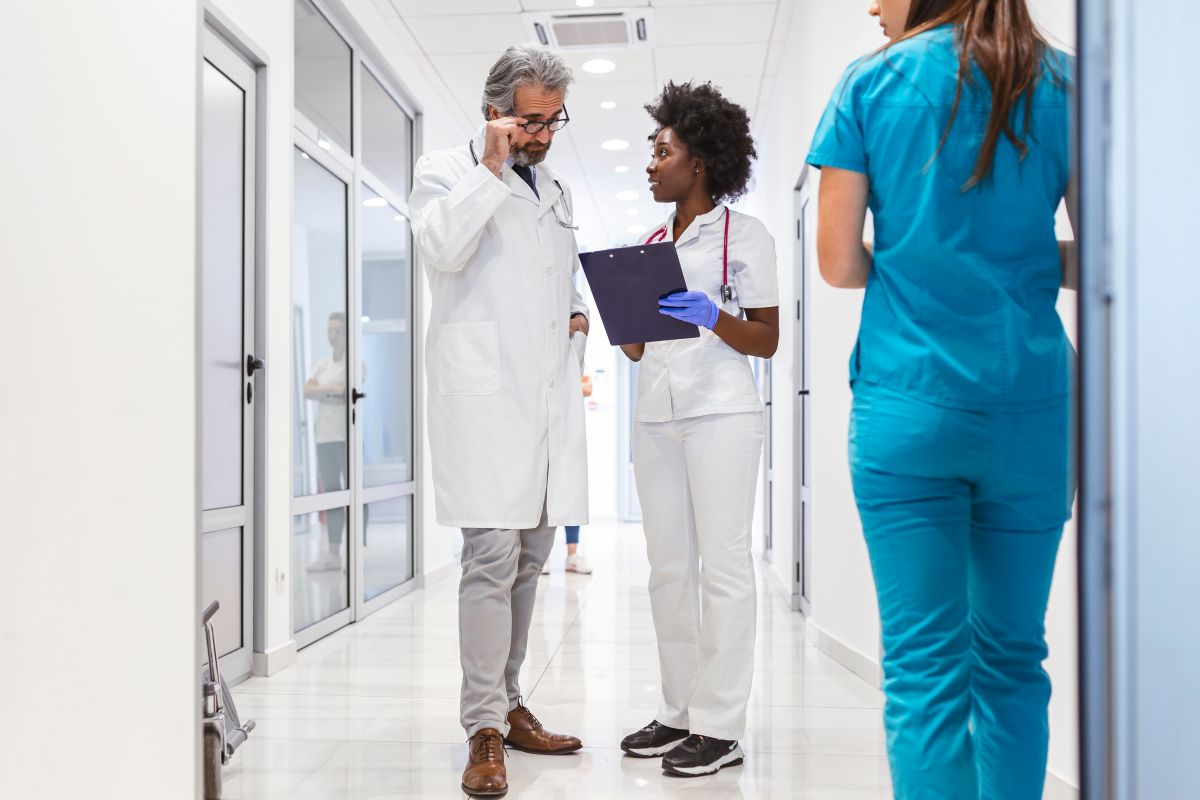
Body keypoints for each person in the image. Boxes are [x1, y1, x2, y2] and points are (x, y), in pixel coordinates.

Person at [807, 2, 1076, 797]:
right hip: (1033, 409)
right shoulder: (1065, 83)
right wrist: (1016, 257)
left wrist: (914, 260)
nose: (872, 5)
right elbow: (1105, 256)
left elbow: (837, 263)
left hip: (909, 404)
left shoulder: (868, 84)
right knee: (1013, 658)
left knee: (926, 668)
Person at [409, 45, 590, 797]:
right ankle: (482, 726)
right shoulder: (444, 171)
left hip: (544, 402)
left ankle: (510, 702)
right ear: (494, 113)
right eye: (531, 121)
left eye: (554, 121)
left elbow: (554, 276)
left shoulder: (557, 191)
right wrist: (489, 169)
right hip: (483, 402)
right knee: (489, 557)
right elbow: (443, 248)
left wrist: (577, 313)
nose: (544, 136)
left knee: (530, 558)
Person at [617, 81, 779, 778]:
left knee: (725, 567)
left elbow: (767, 339)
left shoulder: (746, 236)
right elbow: (636, 348)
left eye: (663, 152)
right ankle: (678, 710)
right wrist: (621, 313)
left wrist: (713, 316)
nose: (650, 164)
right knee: (669, 570)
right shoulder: (649, 243)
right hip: (656, 415)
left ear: (701, 162)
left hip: (722, 414)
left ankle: (720, 726)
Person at [302, 311, 361, 572]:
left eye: (337, 331)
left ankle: (357, 553)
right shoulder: (322, 365)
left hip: (346, 437)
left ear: (347, 334)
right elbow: (307, 391)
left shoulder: (355, 364)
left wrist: (323, 392)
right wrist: (332, 391)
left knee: (353, 495)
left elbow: (349, 392)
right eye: (329, 330)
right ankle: (334, 554)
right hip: (324, 437)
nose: (332, 335)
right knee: (333, 495)